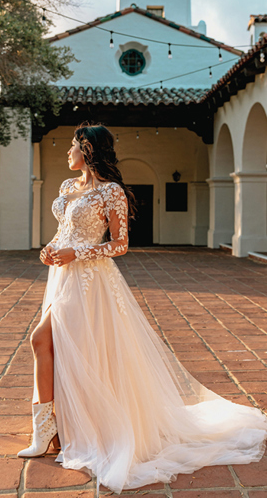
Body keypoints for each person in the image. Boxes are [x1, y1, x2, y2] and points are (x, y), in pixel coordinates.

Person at [16, 121, 267, 494]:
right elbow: (64, 231)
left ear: (87, 149)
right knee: (59, 347)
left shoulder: (112, 192)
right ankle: (56, 428)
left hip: (90, 280)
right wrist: (51, 250)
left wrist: (76, 252)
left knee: (43, 340)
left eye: (72, 146)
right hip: (62, 275)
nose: (67, 152)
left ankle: (53, 430)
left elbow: (120, 244)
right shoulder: (69, 186)